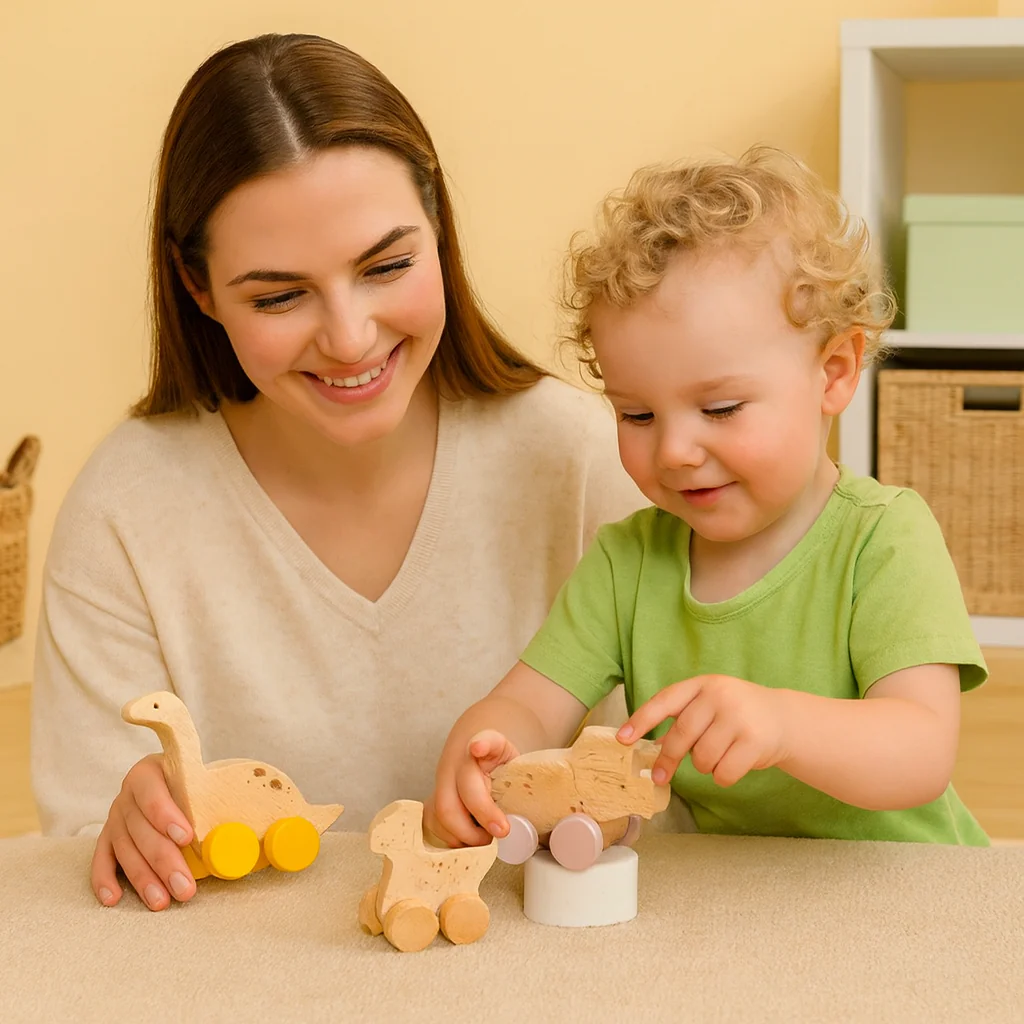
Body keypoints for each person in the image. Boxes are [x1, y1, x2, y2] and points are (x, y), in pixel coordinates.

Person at [29, 33, 650, 912]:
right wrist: (125, 827)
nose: (351, 338)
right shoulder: (125, 510)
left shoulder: (581, 457)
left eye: (388, 266)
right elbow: (82, 851)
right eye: (279, 296)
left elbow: (686, 801)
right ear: (196, 287)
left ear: (439, 228)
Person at [426, 145, 990, 850]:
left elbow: (920, 755)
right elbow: (531, 704)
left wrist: (784, 725)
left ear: (835, 373)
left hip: (901, 892)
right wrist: (488, 744)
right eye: (637, 415)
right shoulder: (625, 562)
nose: (674, 452)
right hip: (737, 906)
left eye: (720, 409)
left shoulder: (884, 539)